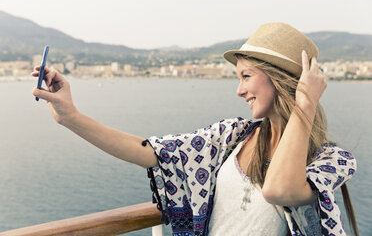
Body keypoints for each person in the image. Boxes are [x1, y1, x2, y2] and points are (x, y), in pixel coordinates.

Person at [31, 22, 358, 236]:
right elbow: (148, 151)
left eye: (246, 76)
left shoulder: (330, 161)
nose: (239, 91)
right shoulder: (232, 137)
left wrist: (305, 104)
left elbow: (278, 190)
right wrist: (70, 116)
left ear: (280, 79)